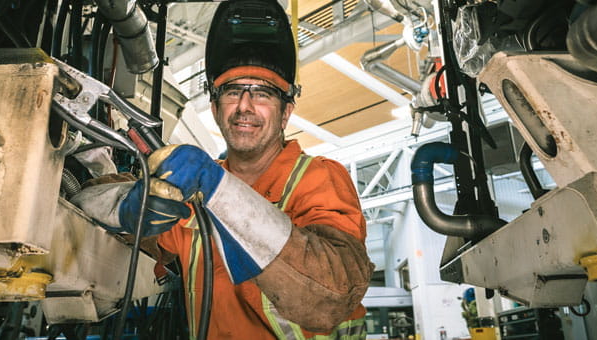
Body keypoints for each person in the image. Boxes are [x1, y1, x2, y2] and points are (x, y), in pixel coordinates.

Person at [71, 0, 373, 338]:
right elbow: (84, 202)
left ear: (286, 113)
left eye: (262, 94)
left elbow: (330, 298)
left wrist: (219, 190)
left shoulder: (318, 178)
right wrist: (125, 207)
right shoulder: (187, 187)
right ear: (215, 109)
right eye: (232, 92)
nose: (244, 106)